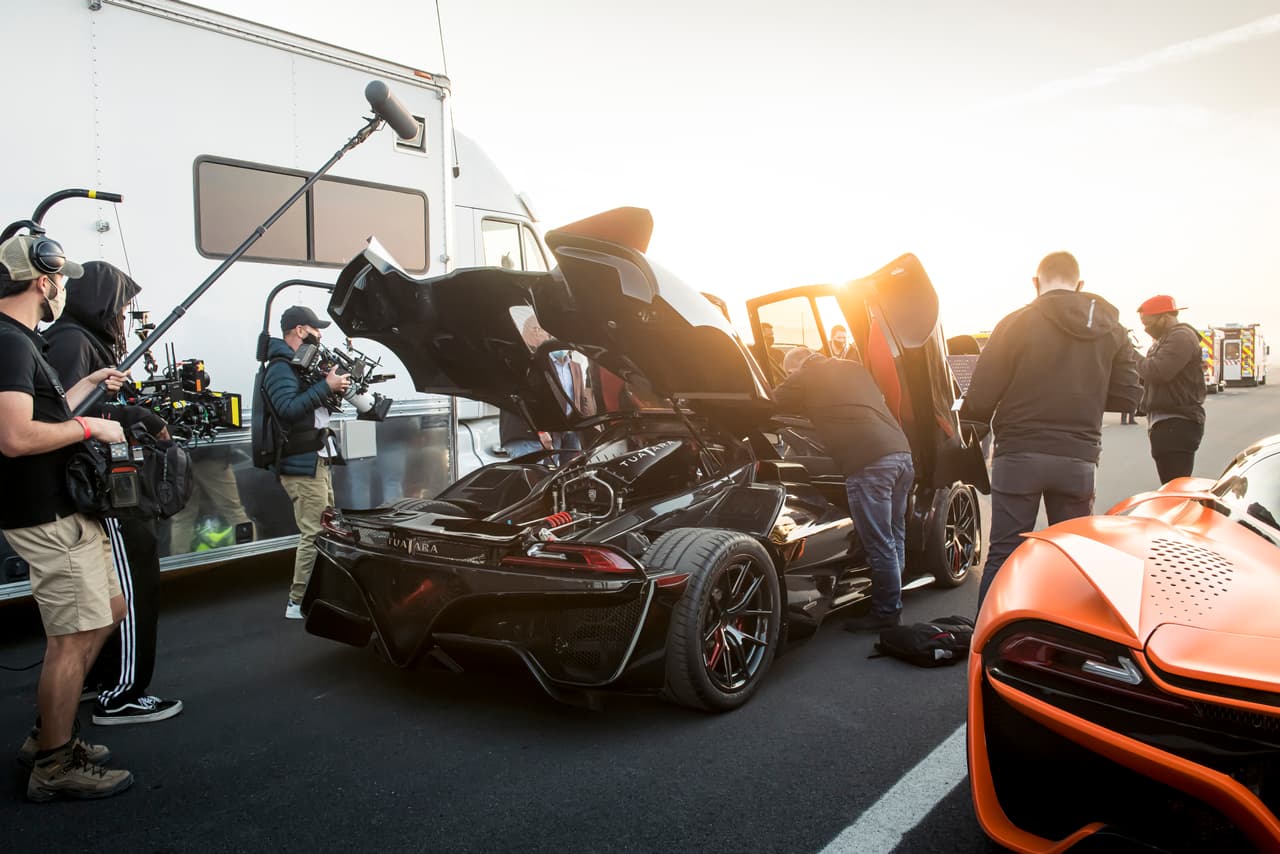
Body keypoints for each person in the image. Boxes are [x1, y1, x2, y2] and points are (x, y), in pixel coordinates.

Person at [0, 234, 134, 799]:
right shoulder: (8, 342)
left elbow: (40, 408)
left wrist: (87, 386)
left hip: (65, 510)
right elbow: (14, 436)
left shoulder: (23, 341)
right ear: (42, 279)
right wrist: (92, 426)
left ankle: (49, 733)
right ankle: (54, 763)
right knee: (73, 635)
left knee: (109, 610)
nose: (62, 288)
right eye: (59, 278)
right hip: (46, 513)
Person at [44, 260, 184, 726]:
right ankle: (122, 693)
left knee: (116, 591)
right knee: (135, 580)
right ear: (100, 301)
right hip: (105, 489)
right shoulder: (72, 341)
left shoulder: (77, 339)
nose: (124, 315)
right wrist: (140, 418)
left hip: (100, 483)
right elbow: (66, 413)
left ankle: (97, 678)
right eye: (121, 305)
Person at [960, 251, 1140, 610]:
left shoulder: (1015, 323)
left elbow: (981, 395)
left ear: (1035, 283)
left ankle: (985, 641)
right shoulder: (1111, 330)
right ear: (1080, 285)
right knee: (1074, 558)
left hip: (1018, 457)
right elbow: (1129, 395)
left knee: (1005, 552)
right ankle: (1068, 647)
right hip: (1077, 458)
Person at [772, 346, 914, 632]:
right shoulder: (853, 367)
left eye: (789, 373)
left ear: (797, 366)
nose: (789, 378)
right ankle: (892, 599)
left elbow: (770, 401)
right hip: (902, 455)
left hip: (868, 463)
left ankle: (886, 612)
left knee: (879, 542)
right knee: (895, 534)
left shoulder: (806, 374)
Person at [262, 305, 349, 620]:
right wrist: (325, 387)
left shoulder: (297, 367)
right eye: (315, 329)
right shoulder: (281, 367)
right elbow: (286, 408)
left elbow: (307, 409)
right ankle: (297, 602)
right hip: (301, 465)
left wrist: (330, 391)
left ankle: (319, 594)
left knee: (326, 529)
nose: (320, 335)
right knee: (314, 532)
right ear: (300, 330)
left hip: (315, 460)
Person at [1135, 295, 1206, 484]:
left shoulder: (1180, 336)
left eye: (1148, 323)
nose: (1146, 328)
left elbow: (1159, 371)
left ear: (1164, 317)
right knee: (1171, 486)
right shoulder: (1166, 339)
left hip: (1177, 424)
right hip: (1167, 424)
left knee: (1175, 489)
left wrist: (1130, 354)